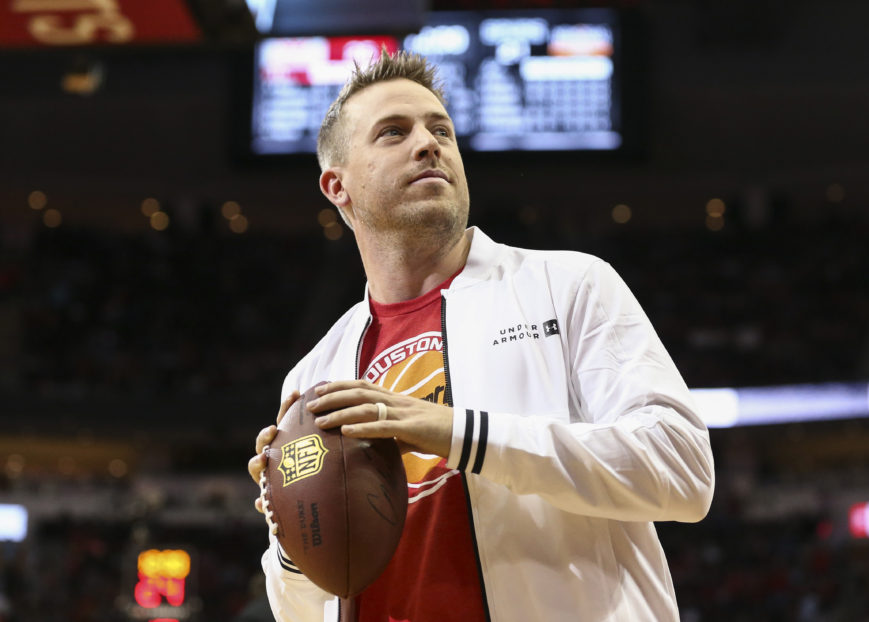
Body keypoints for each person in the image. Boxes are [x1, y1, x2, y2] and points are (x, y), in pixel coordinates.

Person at [247, 50, 715, 622]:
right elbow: (301, 610)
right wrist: (292, 533)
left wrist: (454, 431)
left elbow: (683, 470)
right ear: (337, 186)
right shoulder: (314, 374)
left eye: (440, 128)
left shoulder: (567, 284)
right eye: (394, 133)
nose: (428, 143)